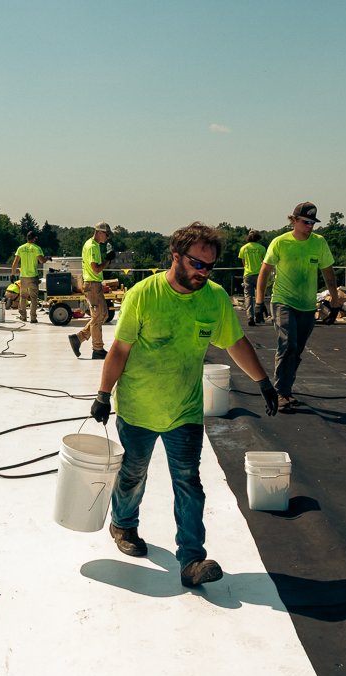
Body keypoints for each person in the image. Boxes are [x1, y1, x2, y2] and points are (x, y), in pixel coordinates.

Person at [89, 222, 280, 588]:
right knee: (132, 475)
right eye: (197, 264)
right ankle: (124, 525)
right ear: (175, 256)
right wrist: (102, 393)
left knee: (189, 483)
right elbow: (119, 350)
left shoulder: (214, 298)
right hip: (138, 409)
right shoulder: (145, 295)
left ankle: (191, 559)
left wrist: (263, 381)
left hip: (185, 411)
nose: (203, 273)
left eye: (210, 266)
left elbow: (234, 342)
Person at [255, 202, 342, 413]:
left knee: (297, 349)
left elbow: (328, 274)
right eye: (305, 222)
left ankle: (285, 389)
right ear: (293, 220)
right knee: (288, 343)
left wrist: (335, 301)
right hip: (283, 301)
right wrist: (259, 302)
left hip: (306, 306)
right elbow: (264, 272)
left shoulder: (319, 244)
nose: (310, 226)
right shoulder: (280, 243)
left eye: (313, 222)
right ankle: (280, 392)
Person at [68, 222, 113, 359]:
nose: (107, 237)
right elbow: (96, 268)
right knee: (98, 316)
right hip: (92, 285)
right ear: (99, 232)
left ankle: (79, 338)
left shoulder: (91, 244)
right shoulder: (93, 247)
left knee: (103, 315)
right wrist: (107, 260)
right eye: (106, 234)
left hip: (93, 284)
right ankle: (97, 349)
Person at [10, 231, 49, 323]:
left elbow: (15, 263)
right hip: (33, 276)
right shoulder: (37, 248)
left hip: (23, 277)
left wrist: (12, 274)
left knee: (23, 297)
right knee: (33, 298)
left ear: (27, 238)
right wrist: (47, 258)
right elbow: (42, 261)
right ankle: (33, 318)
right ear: (34, 238)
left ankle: (23, 316)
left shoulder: (20, 248)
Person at [238, 229, 267, 326]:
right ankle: (259, 316)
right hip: (259, 274)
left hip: (247, 275)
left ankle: (250, 316)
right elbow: (265, 262)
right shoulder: (261, 248)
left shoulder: (244, 248)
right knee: (259, 295)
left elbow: (243, 262)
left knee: (248, 296)